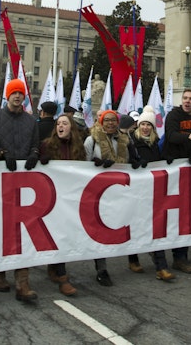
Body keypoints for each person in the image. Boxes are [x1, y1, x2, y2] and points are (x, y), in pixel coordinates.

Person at [0, 79, 39, 303]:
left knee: (24, 232)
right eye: (14, 93)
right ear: (7, 96)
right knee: (2, 229)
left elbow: (36, 143)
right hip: (0, 181)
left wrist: (35, 153)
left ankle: (22, 281)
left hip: (25, 181)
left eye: (20, 93)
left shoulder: (31, 121)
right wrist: (0, 153)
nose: (17, 96)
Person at [84, 110, 138, 285]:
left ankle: (133, 258)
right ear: (101, 122)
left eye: (113, 120)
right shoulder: (92, 139)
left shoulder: (125, 139)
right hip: (99, 192)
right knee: (101, 231)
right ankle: (102, 269)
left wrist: (136, 162)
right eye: (106, 120)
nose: (110, 123)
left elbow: (132, 158)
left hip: (120, 190)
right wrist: (96, 165)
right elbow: (82, 165)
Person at [39, 113, 87, 295]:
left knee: (63, 236)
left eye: (64, 123)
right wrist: (40, 160)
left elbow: (84, 168)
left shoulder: (78, 147)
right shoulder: (47, 145)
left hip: (70, 198)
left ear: (71, 128)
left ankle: (55, 268)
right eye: (58, 123)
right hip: (52, 198)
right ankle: (63, 277)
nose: (60, 126)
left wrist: (96, 166)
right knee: (57, 235)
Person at [129, 106, 176, 282]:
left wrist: (167, 160)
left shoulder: (156, 143)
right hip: (137, 190)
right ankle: (132, 258)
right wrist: (135, 163)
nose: (145, 128)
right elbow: (127, 160)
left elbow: (160, 159)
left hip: (153, 190)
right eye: (143, 124)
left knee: (155, 228)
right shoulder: (132, 142)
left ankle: (161, 266)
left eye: (149, 125)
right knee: (135, 226)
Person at [162, 88, 191, 272]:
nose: (187, 101)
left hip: (190, 170)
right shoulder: (173, 116)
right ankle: (164, 257)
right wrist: (189, 136)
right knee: (172, 216)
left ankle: (181, 257)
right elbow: (171, 136)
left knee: (187, 215)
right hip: (173, 170)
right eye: (185, 98)